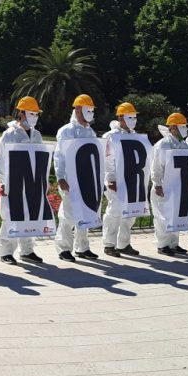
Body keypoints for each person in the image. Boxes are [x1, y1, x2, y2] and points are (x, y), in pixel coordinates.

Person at [0, 96, 47, 265]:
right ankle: (6, 251)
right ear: (21, 113)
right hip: (14, 182)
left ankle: (27, 250)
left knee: (30, 215)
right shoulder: (9, 134)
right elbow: (1, 159)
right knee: (11, 216)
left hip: (31, 182)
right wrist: (3, 181)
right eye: (31, 113)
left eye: (36, 114)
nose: (34, 117)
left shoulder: (37, 135)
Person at [54, 94, 100, 262]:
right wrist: (60, 176)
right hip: (70, 180)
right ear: (78, 110)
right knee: (68, 214)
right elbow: (59, 155)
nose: (91, 113)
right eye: (88, 109)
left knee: (86, 212)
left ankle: (82, 247)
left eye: (92, 110)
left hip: (87, 179)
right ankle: (64, 248)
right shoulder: (66, 131)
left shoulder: (90, 131)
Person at [101, 102, 141, 257]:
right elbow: (107, 159)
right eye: (130, 117)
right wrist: (111, 179)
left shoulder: (134, 135)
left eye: (135, 117)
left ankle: (124, 244)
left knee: (130, 213)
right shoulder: (111, 136)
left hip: (131, 180)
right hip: (115, 181)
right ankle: (109, 244)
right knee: (115, 211)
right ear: (120, 118)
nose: (133, 120)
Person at [151, 113, 188, 257]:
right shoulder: (163, 144)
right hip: (164, 186)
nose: (185, 129)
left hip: (178, 187)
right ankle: (162, 244)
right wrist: (157, 184)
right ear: (173, 128)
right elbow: (156, 166)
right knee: (162, 217)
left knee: (176, 215)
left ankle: (174, 243)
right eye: (183, 126)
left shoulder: (183, 144)